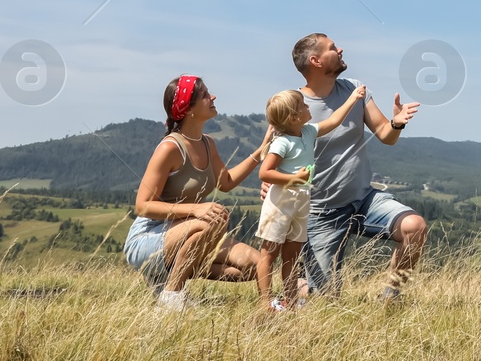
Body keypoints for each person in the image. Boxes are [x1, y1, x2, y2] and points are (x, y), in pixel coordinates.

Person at [290, 33, 425, 300]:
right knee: (326, 302)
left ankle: (391, 298)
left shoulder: (355, 89)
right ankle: (298, 284)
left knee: (415, 227)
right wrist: (269, 182)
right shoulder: (294, 104)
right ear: (315, 61)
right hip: (320, 213)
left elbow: (386, 135)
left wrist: (397, 122)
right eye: (332, 48)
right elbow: (271, 150)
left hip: (363, 200)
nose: (340, 49)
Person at [125, 75, 273, 310]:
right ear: (188, 109)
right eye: (205, 95)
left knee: (254, 264)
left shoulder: (207, 144)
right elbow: (143, 206)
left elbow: (225, 182)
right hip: (149, 239)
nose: (212, 97)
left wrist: (262, 150)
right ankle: (171, 298)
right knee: (210, 220)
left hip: (191, 234)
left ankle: (168, 276)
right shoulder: (170, 148)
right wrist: (196, 209)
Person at [255, 85, 367, 311]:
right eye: (303, 105)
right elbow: (264, 172)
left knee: (292, 256)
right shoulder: (282, 142)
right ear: (294, 117)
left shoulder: (308, 131)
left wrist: (353, 98)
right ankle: (265, 304)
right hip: (280, 204)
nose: (308, 107)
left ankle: (291, 301)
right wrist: (294, 178)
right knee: (269, 253)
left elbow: (335, 120)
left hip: (300, 203)